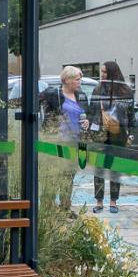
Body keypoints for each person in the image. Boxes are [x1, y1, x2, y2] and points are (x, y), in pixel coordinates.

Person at [39, 66, 91, 211]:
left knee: (68, 177)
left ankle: (65, 208)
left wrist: (87, 122)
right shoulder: (53, 94)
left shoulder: (81, 96)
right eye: (77, 79)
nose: (80, 82)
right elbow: (34, 104)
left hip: (74, 142)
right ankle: (48, 208)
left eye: (80, 79)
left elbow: (85, 115)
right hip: (56, 142)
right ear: (67, 80)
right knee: (52, 177)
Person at [90, 61, 135, 214]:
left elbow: (131, 115)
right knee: (99, 169)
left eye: (105, 72)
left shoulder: (126, 91)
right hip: (99, 134)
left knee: (115, 168)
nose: (102, 74)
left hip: (119, 135)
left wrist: (131, 134)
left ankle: (113, 201)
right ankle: (99, 201)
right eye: (101, 71)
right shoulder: (98, 89)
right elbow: (91, 111)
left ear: (112, 73)